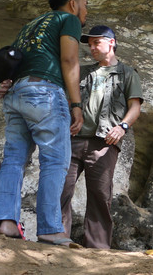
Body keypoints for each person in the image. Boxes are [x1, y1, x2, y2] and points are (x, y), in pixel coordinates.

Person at [0, 0, 87, 247]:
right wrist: (76, 104)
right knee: (55, 162)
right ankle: (50, 228)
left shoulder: (29, 26)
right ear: (73, 4)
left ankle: (6, 222)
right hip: (45, 92)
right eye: (85, 5)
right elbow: (69, 60)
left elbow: (16, 61)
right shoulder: (69, 20)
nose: (85, 12)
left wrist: (14, 84)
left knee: (13, 159)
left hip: (17, 93)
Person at [60, 25, 143, 249]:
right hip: (73, 139)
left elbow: (135, 106)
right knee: (61, 189)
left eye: (97, 43)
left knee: (99, 194)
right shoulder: (84, 71)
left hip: (104, 143)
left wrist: (122, 127)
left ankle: (97, 249)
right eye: (90, 44)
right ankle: (57, 239)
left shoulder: (128, 73)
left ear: (112, 42)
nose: (92, 48)